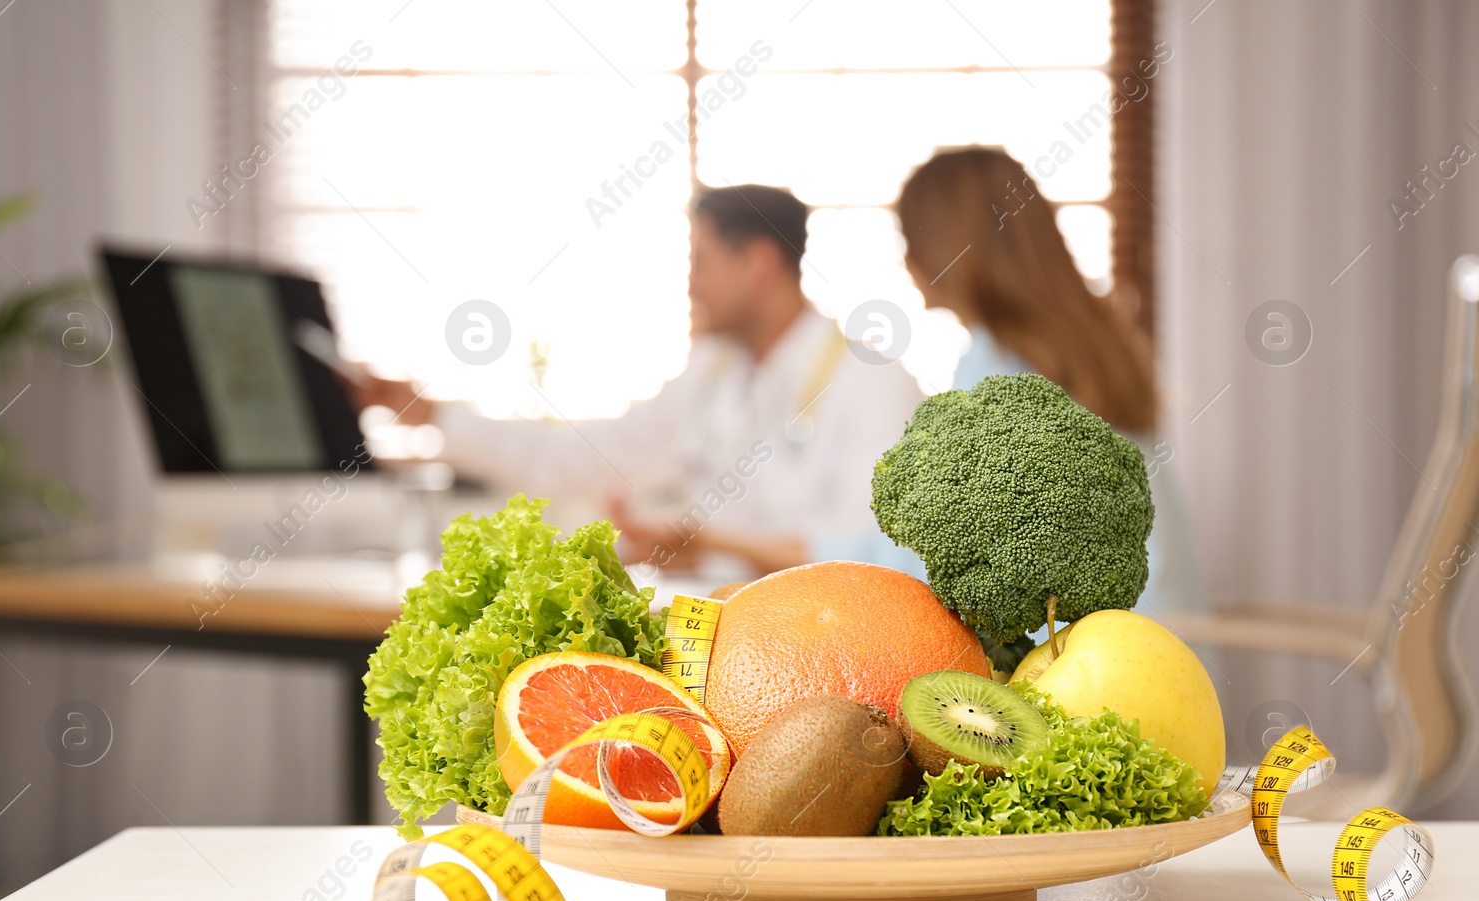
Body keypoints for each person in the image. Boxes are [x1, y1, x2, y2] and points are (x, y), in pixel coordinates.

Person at [352, 185, 925, 583]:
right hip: (716, 619)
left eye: (701, 262)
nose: (691, 286)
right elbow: (586, 454)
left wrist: (703, 541)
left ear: (759, 262)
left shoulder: (870, 381)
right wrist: (431, 415)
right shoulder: (712, 372)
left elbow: (869, 557)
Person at [895, 146, 1207, 617]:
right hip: (1165, 647)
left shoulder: (992, 372)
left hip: (1087, 664)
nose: (905, 259)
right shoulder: (1094, 345)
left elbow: (939, 563)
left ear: (940, 250)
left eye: (909, 239)